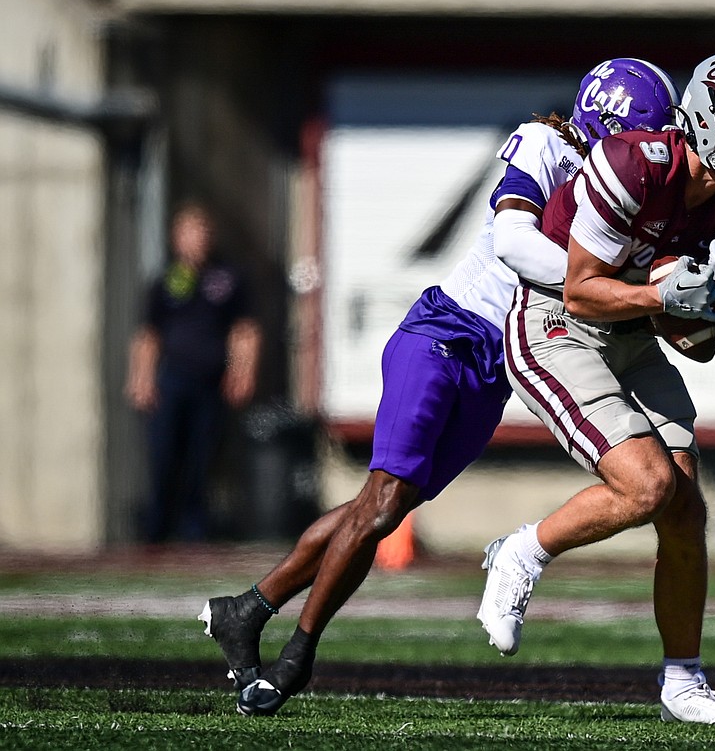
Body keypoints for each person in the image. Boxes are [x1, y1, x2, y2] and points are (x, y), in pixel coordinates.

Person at [198, 58, 679, 717]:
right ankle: (296, 658)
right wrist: (613, 285)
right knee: (385, 500)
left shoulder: (622, 191)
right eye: (647, 138)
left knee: (380, 507)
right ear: (615, 126)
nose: (652, 156)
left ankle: (246, 610)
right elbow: (514, 242)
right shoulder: (550, 146)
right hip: (446, 333)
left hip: (498, 364)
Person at [478, 50, 715, 725]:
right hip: (555, 323)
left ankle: (684, 681)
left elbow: (688, 342)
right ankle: (522, 550)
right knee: (648, 484)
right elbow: (579, 289)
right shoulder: (633, 163)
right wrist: (662, 289)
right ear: (709, 125)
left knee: (685, 506)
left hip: (632, 335)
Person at [125, 201, 261, 544]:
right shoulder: (166, 281)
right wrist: (140, 378)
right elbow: (148, 335)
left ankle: (194, 530)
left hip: (210, 383)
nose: (197, 240)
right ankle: (157, 529)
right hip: (171, 380)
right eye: (189, 232)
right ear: (176, 237)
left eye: (202, 232)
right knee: (164, 454)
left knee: (203, 457)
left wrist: (242, 372)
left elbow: (244, 331)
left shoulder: (226, 280)